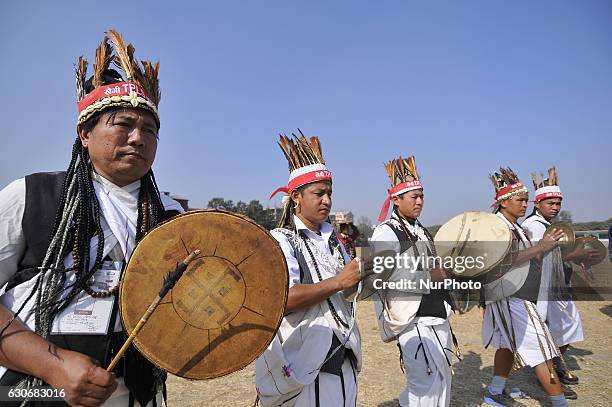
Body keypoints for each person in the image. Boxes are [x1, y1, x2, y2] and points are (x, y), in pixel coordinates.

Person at [0, 30, 183, 406]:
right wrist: (52, 366)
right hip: (35, 389)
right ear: (85, 133)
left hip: (137, 393)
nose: (137, 138)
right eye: (122, 124)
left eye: (149, 130)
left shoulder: (171, 215)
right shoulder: (32, 195)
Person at [255, 132, 362, 406]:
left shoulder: (335, 240)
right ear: (296, 197)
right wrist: (339, 281)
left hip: (343, 357)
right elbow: (284, 299)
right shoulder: (280, 239)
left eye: (329, 193)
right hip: (304, 367)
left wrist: (356, 280)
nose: (326, 200)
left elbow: (346, 292)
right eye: (318, 193)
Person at [371, 155, 456, 407]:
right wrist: (432, 275)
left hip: (437, 314)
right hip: (413, 319)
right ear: (396, 200)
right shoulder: (386, 232)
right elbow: (384, 277)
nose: (419, 201)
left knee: (441, 383)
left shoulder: (421, 230)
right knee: (425, 387)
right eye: (413, 197)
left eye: (422, 196)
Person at [481, 167, 568, 407]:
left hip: (519, 294)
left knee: (509, 345)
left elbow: (525, 258)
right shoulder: (496, 227)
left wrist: (544, 250)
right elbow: (502, 261)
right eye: (519, 200)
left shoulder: (515, 225)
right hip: (509, 295)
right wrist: (540, 247)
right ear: (504, 202)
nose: (524, 204)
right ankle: (560, 402)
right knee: (543, 349)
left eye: (525, 200)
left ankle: (495, 392)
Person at [522, 167, 595, 399]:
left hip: (556, 286)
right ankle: (549, 373)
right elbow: (537, 255)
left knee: (568, 328)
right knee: (546, 333)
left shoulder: (548, 224)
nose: (555, 207)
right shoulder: (534, 225)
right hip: (543, 289)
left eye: (558, 203)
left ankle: (554, 364)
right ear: (538, 204)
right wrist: (576, 255)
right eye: (550, 203)